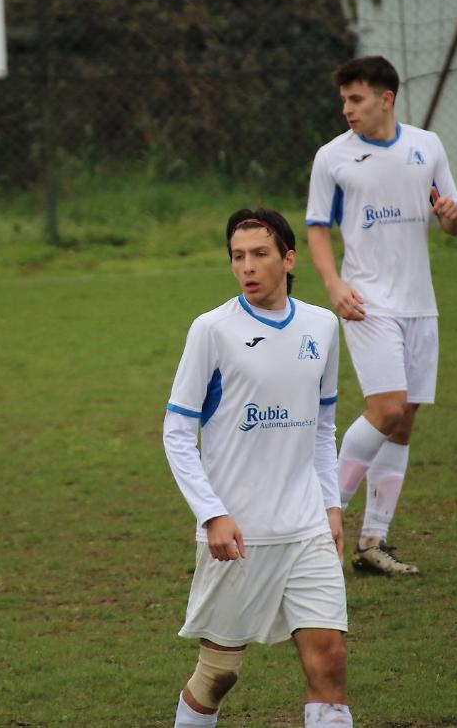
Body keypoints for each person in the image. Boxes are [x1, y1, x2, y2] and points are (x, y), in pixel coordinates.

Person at [163, 208, 353, 728]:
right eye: (237, 256)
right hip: (237, 533)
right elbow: (177, 432)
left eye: (260, 254)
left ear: (288, 260)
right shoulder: (212, 331)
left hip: (306, 527)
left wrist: (331, 505)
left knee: (328, 660)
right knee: (218, 674)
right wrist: (211, 514)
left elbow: (322, 427)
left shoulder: (322, 326)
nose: (247, 266)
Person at [305, 55, 457, 575]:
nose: (347, 110)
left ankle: (373, 542)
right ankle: (314, 523)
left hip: (421, 304)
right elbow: (316, 228)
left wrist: (452, 216)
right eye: (344, 101)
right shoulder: (332, 158)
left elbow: (455, 221)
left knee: (405, 421)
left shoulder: (428, 146)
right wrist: (334, 285)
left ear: (386, 99)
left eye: (356, 99)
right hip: (368, 303)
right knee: (387, 408)